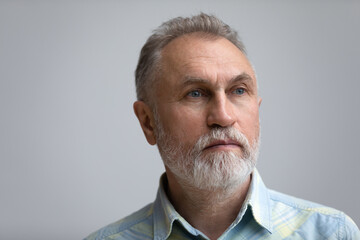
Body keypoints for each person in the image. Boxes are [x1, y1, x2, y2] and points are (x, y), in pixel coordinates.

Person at [84, 13, 360, 240]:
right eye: (195, 93)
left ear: (257, 111)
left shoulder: (332, 233)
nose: (223, 116)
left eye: (239, 91)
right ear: (148, 122)